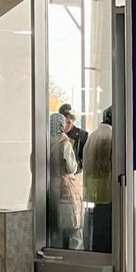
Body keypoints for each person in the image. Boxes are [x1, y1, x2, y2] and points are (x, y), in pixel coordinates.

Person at [48, 112, 83, 250]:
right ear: (61, 125)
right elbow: (71, 167)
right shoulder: (64, 142)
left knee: (54, 227)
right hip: (65, 189)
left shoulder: (43, 142)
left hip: (48, 189)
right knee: (73, 226)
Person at [83, 106, 113, 252]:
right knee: (108, 232)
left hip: (93, 188)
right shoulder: (112, 136)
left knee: (98, 228)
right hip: (109, 189)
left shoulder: (92, 136)